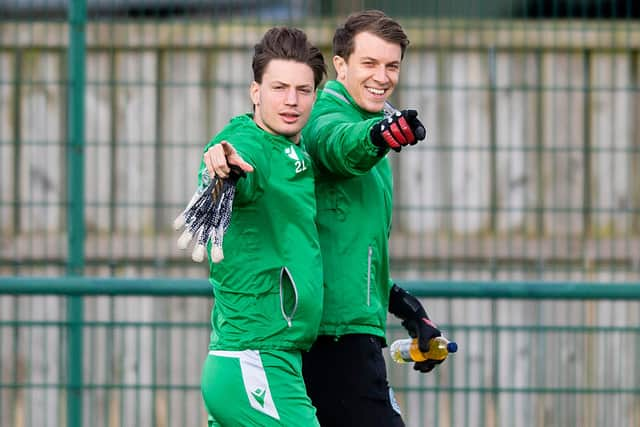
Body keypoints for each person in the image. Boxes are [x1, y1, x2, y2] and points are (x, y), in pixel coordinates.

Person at [299, 10, 444, 427]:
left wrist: (408, 309)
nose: (382, 76)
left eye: (392, 65)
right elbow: (339, 147)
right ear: (340, 65)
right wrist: (379, 136)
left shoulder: (372, 120)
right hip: (330, 335)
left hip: (354, 329)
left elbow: (355, 248)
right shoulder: (324, 116)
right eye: (369, 63)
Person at [189, 26, 327, 427]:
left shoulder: (294, 151)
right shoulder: (246, 143)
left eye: (303, 90)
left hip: (267, 359)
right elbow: (234, 164)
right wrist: (223, 169)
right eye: (279, 87)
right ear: (255, 92)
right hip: (254, 359)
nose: (291, 100)